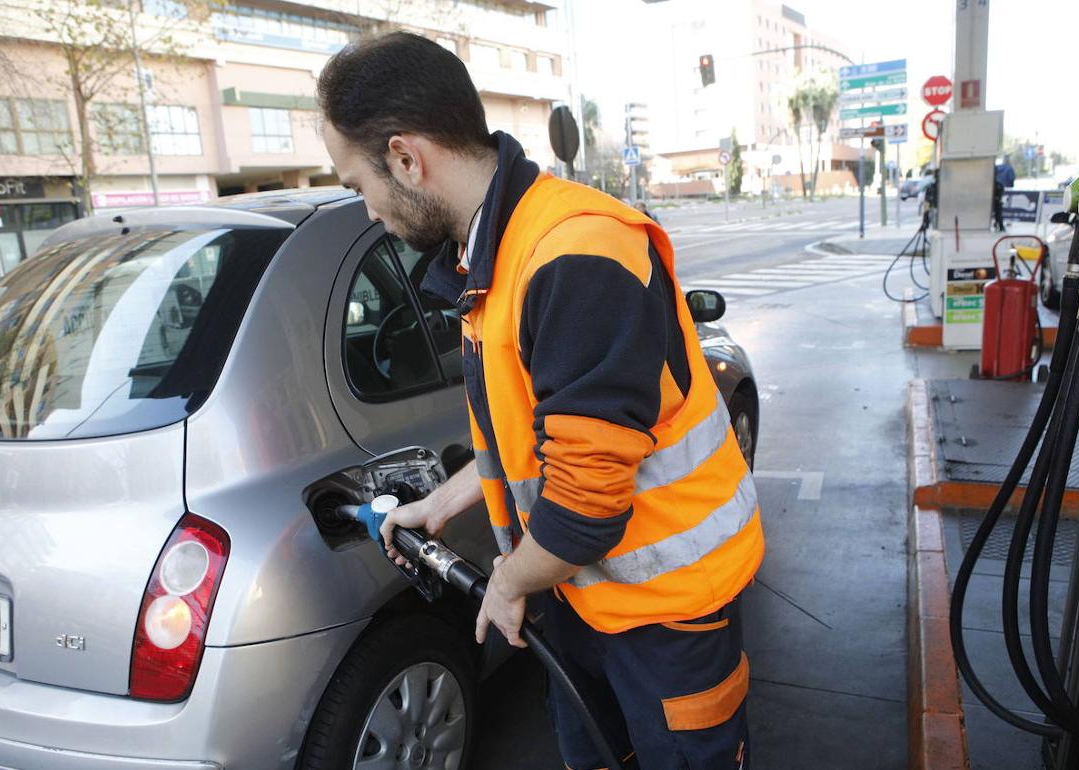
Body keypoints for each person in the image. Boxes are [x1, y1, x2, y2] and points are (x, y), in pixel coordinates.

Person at [318, 32, 763, 770]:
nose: (366, 210)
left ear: (406, 157)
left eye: (357, 184)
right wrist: (446, 503)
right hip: (584, 597)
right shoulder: (493, 256)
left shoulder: (574, 250)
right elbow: (533, 440)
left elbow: (588, 500)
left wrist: (507, 581)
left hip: (669, 614)